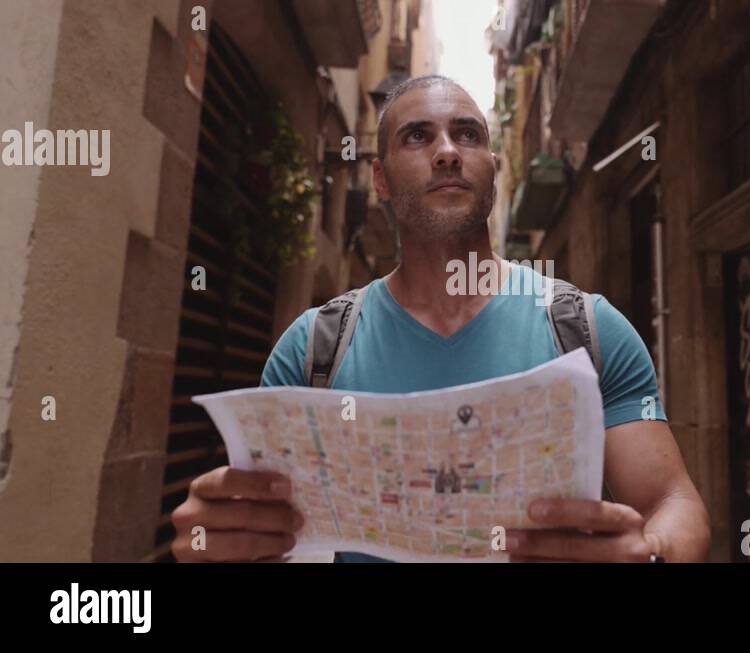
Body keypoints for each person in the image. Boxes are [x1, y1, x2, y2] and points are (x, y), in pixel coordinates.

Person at [171, 75, 710, 563]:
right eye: (417, 136)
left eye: (469, 135)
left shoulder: (586, 329)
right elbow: (262, 532)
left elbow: (672, 499)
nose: (448, 152)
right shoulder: (314, 348)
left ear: (494, 169)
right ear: (379, 178)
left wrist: (654, 553)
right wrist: (219, 542)